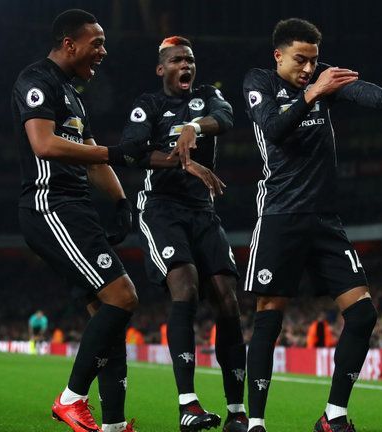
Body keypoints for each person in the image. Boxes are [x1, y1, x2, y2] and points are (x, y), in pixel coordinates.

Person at [242, 18, 382, 432]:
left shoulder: (321, 82)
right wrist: (313, 93)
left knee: (363, 315)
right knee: (269, 316)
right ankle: (255, 421)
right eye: (300, 59)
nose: (309, 68)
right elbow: (274, 130)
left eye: (313, 60)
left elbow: (359, 88)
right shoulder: (258, 81)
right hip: (280, 214)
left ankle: (333, 416)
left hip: (325, 219)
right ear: (278, 55)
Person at [12, 9, 148, 432]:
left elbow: (91, 156)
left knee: (108, 316)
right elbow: (44, 144)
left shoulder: (73, 95)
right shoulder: (36, 80)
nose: (104, 52)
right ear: (69, 44)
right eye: (97, 43)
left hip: (76, 208)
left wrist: (123, 201)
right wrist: (112, 152)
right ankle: (70, 399)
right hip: (50, 205)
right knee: (123, 297)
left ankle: (113, 423)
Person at [120, 36, 247, 432]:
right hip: (160, 210)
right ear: (162, 69)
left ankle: (237, 410)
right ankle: (187, 404)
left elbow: (226, 119)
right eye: (176, 60)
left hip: (202, 212)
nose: (185, 66)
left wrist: (192, 127)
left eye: (190, 60)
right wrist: (181, 162)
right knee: (186, 287)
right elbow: (131, 152)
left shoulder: (209, 97)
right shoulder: (149, 106)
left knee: (228, 300)